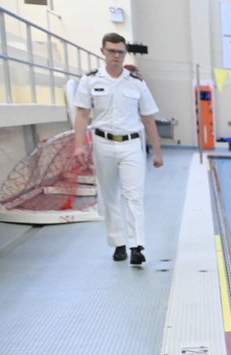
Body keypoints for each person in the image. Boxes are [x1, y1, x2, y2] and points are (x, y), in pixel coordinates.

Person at [72, 33, 164, 267]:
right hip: (103, 143)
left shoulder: (136, 83)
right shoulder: (90, 81)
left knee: (134, 196)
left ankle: (137, 246)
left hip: (132, 144)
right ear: (103, 51)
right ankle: (119, 243)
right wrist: (79, 145)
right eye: (112, 50)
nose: (116, 55)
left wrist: (157, 151)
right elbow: (82, 114)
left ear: (125, 53)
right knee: (110, 196)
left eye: (120, 51)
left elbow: (149, 118)